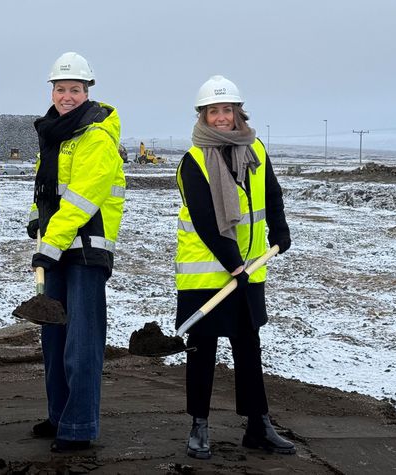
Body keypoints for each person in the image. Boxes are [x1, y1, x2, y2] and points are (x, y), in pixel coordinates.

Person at [174, 75, 295, 459]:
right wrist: (232, 264)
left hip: (250, 269)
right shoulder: (193, 161)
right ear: (203, 116)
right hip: (206, 274)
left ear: (238, 112)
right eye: (214, 111)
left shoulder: (255, 147)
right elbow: (207, 219)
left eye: (227, 109)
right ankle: (199, 426)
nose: (222, 117)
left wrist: (281, 229)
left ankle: (258, 425)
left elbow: (270, 193)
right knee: (202, 349)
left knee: (248, 347)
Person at [26, 52, 125, 452]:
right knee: (54, 336)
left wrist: (48, 247)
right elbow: (47, 189)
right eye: (61, 88)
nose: (67, 96)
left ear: (88, 92)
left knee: (80, 342)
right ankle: (59, 415)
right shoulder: (54, 133)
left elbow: (82, 200)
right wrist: (37, 219)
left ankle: (79, 426)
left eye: (75, 89)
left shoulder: (96, 135)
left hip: (85, 251)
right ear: (52, 90)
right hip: (58, 249)